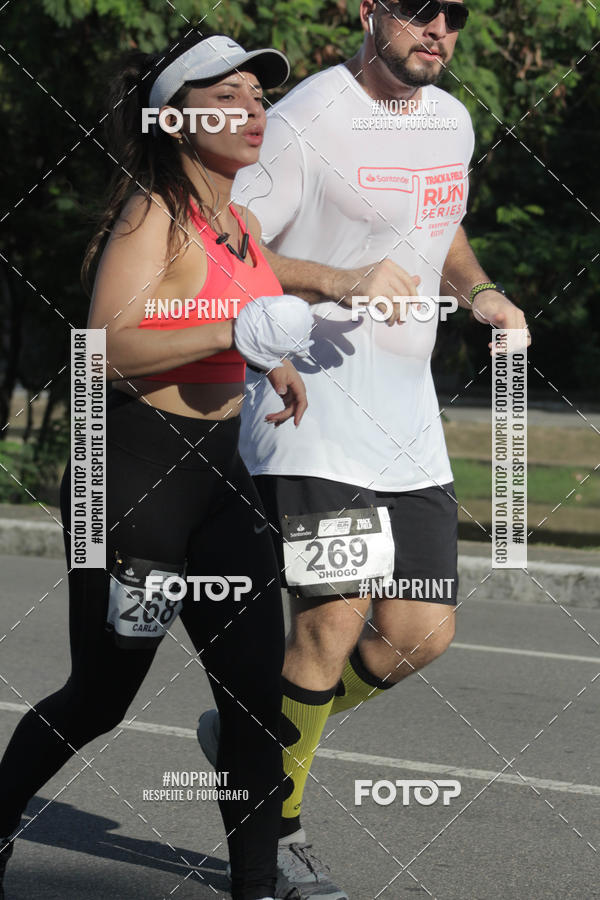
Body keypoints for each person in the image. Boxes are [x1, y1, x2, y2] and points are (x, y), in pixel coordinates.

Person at [197, 3, 532, 898]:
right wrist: (341, 280)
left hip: (405, 421)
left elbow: (438, 227)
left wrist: (483, 292)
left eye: (453, 15)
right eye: (419, 12)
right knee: (331, 621)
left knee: (416, 637)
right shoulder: (309, 116)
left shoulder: (453, 120)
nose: (438, 30)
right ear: (369, 11)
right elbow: (235, 240)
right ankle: (281, 830)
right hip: (309, 411)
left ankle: (259, 735)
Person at [0, 31, 313, 900]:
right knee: (101, 697)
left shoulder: (242, 225)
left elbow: (239, 314)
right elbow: (99, 354)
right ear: (176, 119)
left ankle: (254, 885)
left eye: (260, 96)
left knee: (257, 701)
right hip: (129, 477)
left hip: (219, 475)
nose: (255, 110)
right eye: (232, 95)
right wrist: (229, 333)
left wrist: (268, 357)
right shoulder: (152, 212)